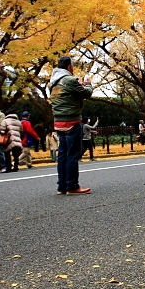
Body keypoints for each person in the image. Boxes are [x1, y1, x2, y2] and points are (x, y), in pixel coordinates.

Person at [49, 55, 94, 194]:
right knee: (73, 154)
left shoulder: (53, 82)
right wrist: (88, 84)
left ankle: (61, 186)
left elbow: (67, 96)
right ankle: (73, 186)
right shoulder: (69, 80)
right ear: (69, 66)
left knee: (62, 154)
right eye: (72, 65)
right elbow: (86, 93)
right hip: (72, 121)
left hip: (58, 121)